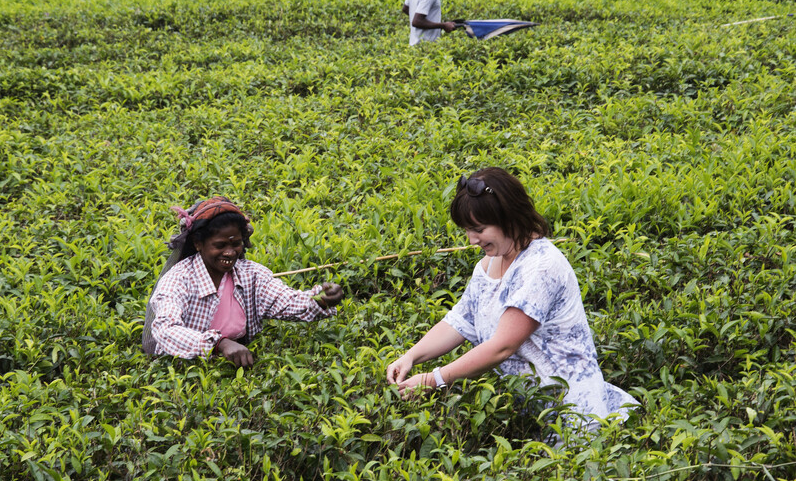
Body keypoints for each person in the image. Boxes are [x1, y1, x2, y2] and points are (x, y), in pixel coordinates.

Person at [386, 168, 638, 429]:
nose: (472, 240)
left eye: (479, 229)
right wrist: (411, 357)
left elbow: (501, 347)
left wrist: (432, 379)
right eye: (467, 230)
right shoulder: (490, 263)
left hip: (572, 414)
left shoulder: (541, 267)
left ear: (508, 218)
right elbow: (460, 321)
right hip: (527, 413)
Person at [141, 197, 344, 366]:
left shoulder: (251, 274)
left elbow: (285, 301)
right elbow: (165, 329)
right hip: (183, 369)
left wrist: (320, 299)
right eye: (219, 245)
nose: (230, 253)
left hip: (237, 367)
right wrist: (219, 344)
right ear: (198, 244)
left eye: (235, 244)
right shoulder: (178, 280)